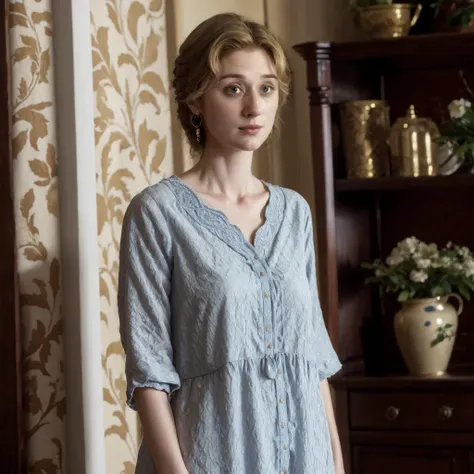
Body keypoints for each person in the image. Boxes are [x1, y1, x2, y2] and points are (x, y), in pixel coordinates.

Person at [118, 12, 345, 474]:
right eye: (233, 88)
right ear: (196, 99)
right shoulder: (158, 213)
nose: (254, 108)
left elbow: (313, 362)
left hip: (306, 457)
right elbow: (149, 374)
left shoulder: (294, 213)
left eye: (266, 88)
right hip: (212, 455)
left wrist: (336, 466)